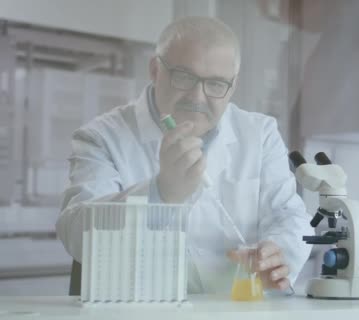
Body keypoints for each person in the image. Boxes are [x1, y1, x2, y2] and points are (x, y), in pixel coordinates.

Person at [55, 16, 313, 293]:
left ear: (232, 86)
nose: (198, 97)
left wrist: (277, 253)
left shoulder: (259, 134)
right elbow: (77, 235)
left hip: (233, 308)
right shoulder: (102, 137)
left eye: (215, 84)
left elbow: (290, 216)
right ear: (155, 70)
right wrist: (161, 193)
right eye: (184, 77)